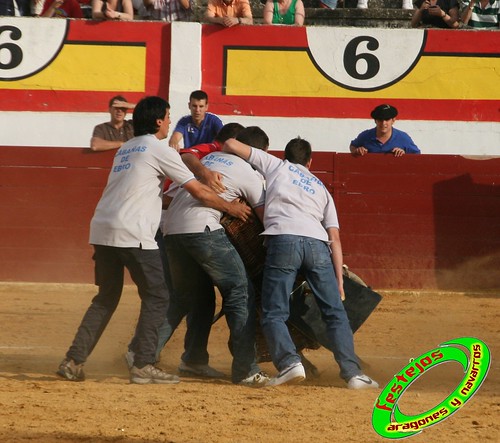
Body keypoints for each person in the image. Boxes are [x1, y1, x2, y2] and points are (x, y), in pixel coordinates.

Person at [56, 96, 251, 385]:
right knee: (159, 296)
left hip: (102, 230)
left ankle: (73, 360)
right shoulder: (159, 149)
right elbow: (198, 191)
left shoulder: (126, 149)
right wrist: (231, 207)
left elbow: (151, 195)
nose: (171, 122)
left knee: (106, 298)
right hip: (133, 234)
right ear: (159, 121)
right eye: (169, 117)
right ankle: (143, 363)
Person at [222, 136, 379, 389]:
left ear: (286, 156)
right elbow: (335, 238)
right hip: (318, 246)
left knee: (274, 311)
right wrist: (339, 281)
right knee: (335, 313)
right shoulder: (321, 187)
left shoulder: (276, 166)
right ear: (310, 161)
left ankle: (289, 363)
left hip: (283, 240)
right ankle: (353, 374)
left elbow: (230, 144)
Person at [125, 122, 245, 378]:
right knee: (178, 297)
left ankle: (193, 359)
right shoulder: (212, 152)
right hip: (174, 228)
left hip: (173, 228)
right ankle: (139, 353)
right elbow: (185, 155)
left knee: (201, 299)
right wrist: (224, 203)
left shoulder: (212, 159)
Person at [158, 126, 271, 387]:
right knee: (240, 292)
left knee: (195, 298)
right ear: (258, 152)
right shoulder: (249, 173)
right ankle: (246, 369)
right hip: (203, 231)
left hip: (171, 232)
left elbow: (170, 193)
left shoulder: (208, 159)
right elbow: (267, 220)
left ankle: (159, 357)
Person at [349, 104, 421, 157]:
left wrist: (404, 154)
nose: (383, 123)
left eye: (387, 119)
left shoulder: (403, 138)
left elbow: (417, 156)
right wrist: (357, 151)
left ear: (393, 120)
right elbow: (353, 146)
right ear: (375, 121)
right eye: (380, 120)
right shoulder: (365, 136)